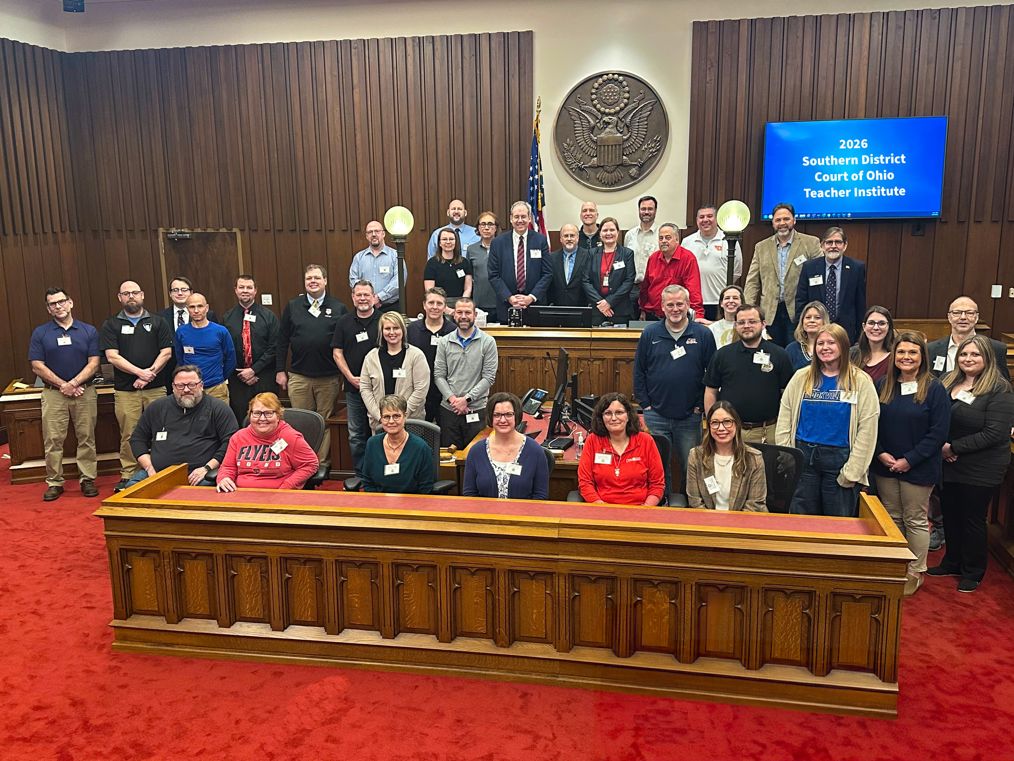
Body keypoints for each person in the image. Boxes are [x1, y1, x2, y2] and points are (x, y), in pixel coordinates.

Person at [928, 335, 1014, 592]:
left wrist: (953, 448)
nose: (968, 359)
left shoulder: (999, 389)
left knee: (972, 518)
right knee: (951, 514)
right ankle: (952, 561)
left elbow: (994, 433)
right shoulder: (948, 381)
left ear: (988, 358)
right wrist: (942, 447)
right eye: (964, 354)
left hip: (981, 467)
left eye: (975, 354)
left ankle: (973, 570)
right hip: (948, 463)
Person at [872, 332, 951, 596]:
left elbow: (938, 433)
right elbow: (871, 423)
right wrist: (881, 453)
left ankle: (915, 570)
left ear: (922, 356)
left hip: (919, 466)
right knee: (892, 517)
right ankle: (896, 566)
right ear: (894, 355)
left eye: (912, 352)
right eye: (902, 352)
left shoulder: (935, 388)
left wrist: (910, 460)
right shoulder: (883, 384)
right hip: (885, 465)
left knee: (915, 519)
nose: (906, 357)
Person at [776, 323, 879, 516]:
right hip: (803, 457)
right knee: (801, 520)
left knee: (837, 522)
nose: (825, 347)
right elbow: (785, 417)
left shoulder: (861, 381)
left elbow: (868, 428)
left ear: (843, 346)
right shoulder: (801, 377)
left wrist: (853, 471)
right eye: (820, 343)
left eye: (831, 342)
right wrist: (789, 456)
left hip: (840, 460)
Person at [633, 284, 716, 490]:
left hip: (690, 417)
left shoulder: (703, 334)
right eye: (670, 305)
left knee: (691, 467)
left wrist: (700, 406)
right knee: (658, 468)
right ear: (662, 306)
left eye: (680, 304)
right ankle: (663, 503)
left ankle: (690, 504)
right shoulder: (650, 333)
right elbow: (639, 370)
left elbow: (712, 374)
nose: (675, 309)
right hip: (655, 415)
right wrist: (646, 404)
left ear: (688, 305)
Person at [100, 280, 174, 490]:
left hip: (156, 388)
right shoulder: (111, 324)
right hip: (126, 391)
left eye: (134, 292)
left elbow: (166, 352)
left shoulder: (158, 322)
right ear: (120, 298)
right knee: (129, 433)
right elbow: (112, 357)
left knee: (161, 431)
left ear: (142, 295)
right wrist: (140, 373)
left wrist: (149, 374)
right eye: (126, 293)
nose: (131, 296)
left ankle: (161, 468)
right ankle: (129, 473)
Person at [29, 287, 101, 501]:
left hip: (84, 392)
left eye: (61, 301)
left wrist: (74, 383)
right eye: (53, 304)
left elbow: (94, 363)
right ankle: (54, 482)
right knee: (53, 439)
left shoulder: (88, 331)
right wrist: (64, 385)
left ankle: (87, 479)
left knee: (86, 437)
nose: (58, 306)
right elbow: (37, 366)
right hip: (54, 393)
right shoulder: (41, 333)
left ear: (70, 303)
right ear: (48, 309)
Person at [275, 264, 349, 462]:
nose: (313, 281)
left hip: (329, 377)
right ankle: (302, 460)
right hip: (299, 376)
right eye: (309, 278)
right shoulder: (293, 306)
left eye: (317, 278)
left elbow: (345, 344)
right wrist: (280, 370)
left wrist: (345, 375)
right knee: (301, 422)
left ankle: (319, 462)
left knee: (325, 421)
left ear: (325, 281)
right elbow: (282, 341)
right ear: (305, 282)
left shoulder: (339, 308)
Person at [128, 365, 238, 487]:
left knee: (201, 493)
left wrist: (207, 468)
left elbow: (231, 442)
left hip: (199, 474)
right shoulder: (157, 408)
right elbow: (137, 439)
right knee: (131, 489)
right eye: (180, 386)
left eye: (192, 385)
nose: (186, 390)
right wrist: (149, 467)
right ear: (173, 387)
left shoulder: (218, 408)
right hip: (157, 472)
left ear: (201, 385)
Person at [704, 304, 794, 444]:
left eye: (752, 321)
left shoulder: (780, 354)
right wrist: (714, 423)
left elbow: (787, 395)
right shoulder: (722, 355)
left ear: (763, 324)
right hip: (730, 431)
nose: (746, 326)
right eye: (741, 322)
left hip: (768, 432)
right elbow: (711, 391)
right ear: (735, 325)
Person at [744, 203, 821, 346]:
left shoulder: (811, 243)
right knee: (771, 354)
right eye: (778, 220)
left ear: (794, 220)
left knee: (797, 352)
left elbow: (819, 277)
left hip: (799, 312)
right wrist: (748, 310)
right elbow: (752, 281)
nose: (782, 223)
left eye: (786, 219)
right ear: (773, 223)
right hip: (770, 314)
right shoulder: (761, 247)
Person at [215, 392, 319, 492]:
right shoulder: (238, 437)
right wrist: (224, 478)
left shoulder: (290, 437)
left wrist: (286, 488)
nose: (262, 418)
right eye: (257, 413)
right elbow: (228, 467)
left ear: (278, 415)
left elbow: (310, 464)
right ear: (250, 415)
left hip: (278, 495)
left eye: (268, 413)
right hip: (240, 494)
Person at [577, 392, 665, 506]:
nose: (614, 418)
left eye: (619, 412)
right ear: (601, 418)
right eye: (608, 413)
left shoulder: (646, 441)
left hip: (641, 509)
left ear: (628, 415)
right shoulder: (592, 441)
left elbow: (657, 484)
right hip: (601, 509)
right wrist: (601, 507)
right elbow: (585, 482)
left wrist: (645, 508)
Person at [331, 280, 381, 476]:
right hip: (354, 388)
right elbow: (337, 353)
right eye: (358, 295)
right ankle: (361, 474)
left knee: (380, 431)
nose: (362, 298)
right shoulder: (344, 322)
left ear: (373, 297)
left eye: (366, 295)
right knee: (356, 434)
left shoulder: (383, 320)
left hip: (379, 389)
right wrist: (350, 377)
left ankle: (379, 473)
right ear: (353, 297)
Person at [433, 298, 498, 448]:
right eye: (459, 312)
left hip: (477, 409)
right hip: (449, 410)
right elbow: (439, 375)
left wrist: (466, 399)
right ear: (454, 314)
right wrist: (453, 400)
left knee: (476, 453)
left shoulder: (488, 342)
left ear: (475, 315)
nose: (463, 316)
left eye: (467, 312)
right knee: (450, 456)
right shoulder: (444, 342)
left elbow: (488, 378)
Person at [463, 392, 550, 500]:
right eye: (497, 415)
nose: (503, 420)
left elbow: (540, 496)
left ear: (516, 415)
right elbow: (469, 494)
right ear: (490, 417)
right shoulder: (476, 452)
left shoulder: (535, 451)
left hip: (524, 511)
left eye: (508, 414)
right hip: (484, 510)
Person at [686, 401, 767, 511]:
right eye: (715, 423)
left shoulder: (754, 458)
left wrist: (731, 521)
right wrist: (712, 520)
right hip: (706, 519)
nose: (721, 428)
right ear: (709, 426)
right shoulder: (696, 456)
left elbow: (754, 505)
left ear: (737, 424)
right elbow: (695, 502)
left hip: (743, 520)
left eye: (727, 422)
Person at [221, 274, 279, 425]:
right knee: (241, 420)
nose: (245, 291)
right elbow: (225, 349)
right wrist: (241, 373)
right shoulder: (227, 318)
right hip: (237, 378)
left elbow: (274, 348)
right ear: (236, 290)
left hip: (264, 377)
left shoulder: (269, 316)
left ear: (255, 290)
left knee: (266, 418)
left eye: (249, 287)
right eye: (241, 287)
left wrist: (253, 370)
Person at [794, 227, 867, 343]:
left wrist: (860, 335)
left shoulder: (856, 268)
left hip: (846, 330)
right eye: (829, 242)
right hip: (816, 330)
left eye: (838, 242)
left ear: (845, 245)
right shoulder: (810, 267)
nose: (833, 246)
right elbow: (801, 300)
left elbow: (860, 304)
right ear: (822, 246)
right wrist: (802, 328)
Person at [360, 311, 429, 430]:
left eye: (396, 328)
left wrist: (400, 416)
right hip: (380, 423)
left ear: (403, 330)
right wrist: (381, 417)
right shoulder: (371, 357)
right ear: (381, 331)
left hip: (410, 422)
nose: (392, 332)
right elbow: (365, 388)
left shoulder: (416, 356)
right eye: (387, 328)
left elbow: (421, 389)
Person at [487, 200, 552, 324]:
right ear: (511, 219)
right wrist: (509, 297)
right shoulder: (498, 243)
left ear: (529, 218)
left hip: (534, 305)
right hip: (507, 305)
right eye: (516, 217)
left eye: (523, 216)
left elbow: (547, 273)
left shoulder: (540, 240)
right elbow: (493, 275)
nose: (520, 220)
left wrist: (531, 297)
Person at [360, 394, 435, 494]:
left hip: (412, 501)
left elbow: (425, 488)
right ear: (381, 419)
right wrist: (377, 500)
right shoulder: (372, 444)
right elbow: (367, 481)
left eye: (396, 416)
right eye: (386, 417)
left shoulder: (421, 448)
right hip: (379, 501)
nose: (391, 421)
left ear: (405, 416)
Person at [927, 296, 1010, 381]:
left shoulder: (995, 348)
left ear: (976, 317)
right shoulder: (931, 349)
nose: (963, 317)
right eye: (956, 313)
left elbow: (1003, 384)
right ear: (949, 317)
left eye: (969, 313)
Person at [159, 275, 217, 392]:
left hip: (203, 374)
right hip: (170, 374)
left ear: (191, 292)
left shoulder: (208, 315)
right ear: (170, 294)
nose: (180, 293)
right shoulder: (161, 317)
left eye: (184, 290)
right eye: (175, 290)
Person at [683, 204, 740, 322]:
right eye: (701, 217)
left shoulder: (729, 240)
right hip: (694, 303)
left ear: (717, 219)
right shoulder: (687, 242)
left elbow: (736, 271)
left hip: (719, 301)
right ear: (697, 220)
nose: (705, 220)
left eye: (709, 216)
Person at [174, 292, 235, 403]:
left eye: (200, 306)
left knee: (220, 414)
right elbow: (180, 359)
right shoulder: (181, 332)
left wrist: (219, 377)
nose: (196, 310)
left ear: (206, 308)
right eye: (192, 307)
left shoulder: (220, 331)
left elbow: (231, 359)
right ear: (187, 309)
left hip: (216, 388)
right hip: (190, 388)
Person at [637, 222, 704, 322]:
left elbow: (694, 290)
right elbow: (645, 287)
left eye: (668, 238)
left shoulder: (688, 258)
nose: (663, 241)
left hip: (677, 316)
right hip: (653, 315)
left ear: (677, 239)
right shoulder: (653, 258)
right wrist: (642, 309)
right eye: (661, 238)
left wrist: (698, 315)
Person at [407, 287, 456, 422]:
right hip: (419, 390)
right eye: (431, 303)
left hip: (446, 392)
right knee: (421, 429)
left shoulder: (453, 331)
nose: (435, 307)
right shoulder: (412, 329)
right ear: (424, 305)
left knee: (446, 431)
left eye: (439, 303)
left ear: (445, 307)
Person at [582, 216, 636, 325]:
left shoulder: (627, 254)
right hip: (597, 310)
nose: (608, 233)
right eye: (605, 230)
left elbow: (629, 281)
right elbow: (585, 281)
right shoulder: (591, 253)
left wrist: (609, 302)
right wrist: (601, 303)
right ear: (600, 233)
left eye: (612, 230)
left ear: (618, 232)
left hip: (620, 310)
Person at [349, 220, 404, 313]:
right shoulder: (359, 258)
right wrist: (368, 297)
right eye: (370, 232)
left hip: (390, 308)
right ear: (366, 236)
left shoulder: (395, 256)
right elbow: (353, 280)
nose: (373, 234)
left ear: (383, 234)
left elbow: (399, 280)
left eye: (377, 231)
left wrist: (379, 297)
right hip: (365, 307)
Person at [623, 195, 659, 314]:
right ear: (639, 210)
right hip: (632, 288)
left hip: (653, 288)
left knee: (651, 322)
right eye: (643, 209)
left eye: (650, 209)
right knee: (631, 321)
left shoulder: (661, 235)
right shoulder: (630, 235)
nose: (646, 212)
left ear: (655, 211)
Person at [423, 227, 473, 308]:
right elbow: (430, 290)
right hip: (438, 305)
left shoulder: (464, 262)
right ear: (439, 243)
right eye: (444, 239)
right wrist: (445, 308)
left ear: (456, 242)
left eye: (451, 239)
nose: (448, 242)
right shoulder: (432, 263)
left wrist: (462, 305)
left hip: (461, 305)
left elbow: (468, 288)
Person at [548, 223, 592, 306]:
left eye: (572, 236)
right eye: (566, 236)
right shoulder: (552, 258)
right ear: (561, 239)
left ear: (578, 238)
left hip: (582, 306)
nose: (569, 239)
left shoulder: (588, 256)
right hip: (558, 306)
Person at [466, 211, 499, 316]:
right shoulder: (471, 249)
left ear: (496, 228)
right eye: (483, 224)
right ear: (478, 228)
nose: (486, 228)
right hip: (479, 302)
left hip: (500, 301)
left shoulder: (503, 248)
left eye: (490, 224)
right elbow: (469, 277)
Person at [849, 305, 895, 383]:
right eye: (871, 323)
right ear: (864, 326)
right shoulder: (852, 354)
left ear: (889, 327)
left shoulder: (895, 357)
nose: (876, 327)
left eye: (882, 323)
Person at [786, 301, 829, 371]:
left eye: (817, 317)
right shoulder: (792, 349)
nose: (812, 321)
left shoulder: (832, 347)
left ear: (824, 321)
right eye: (808, 317)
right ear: (802, 321)